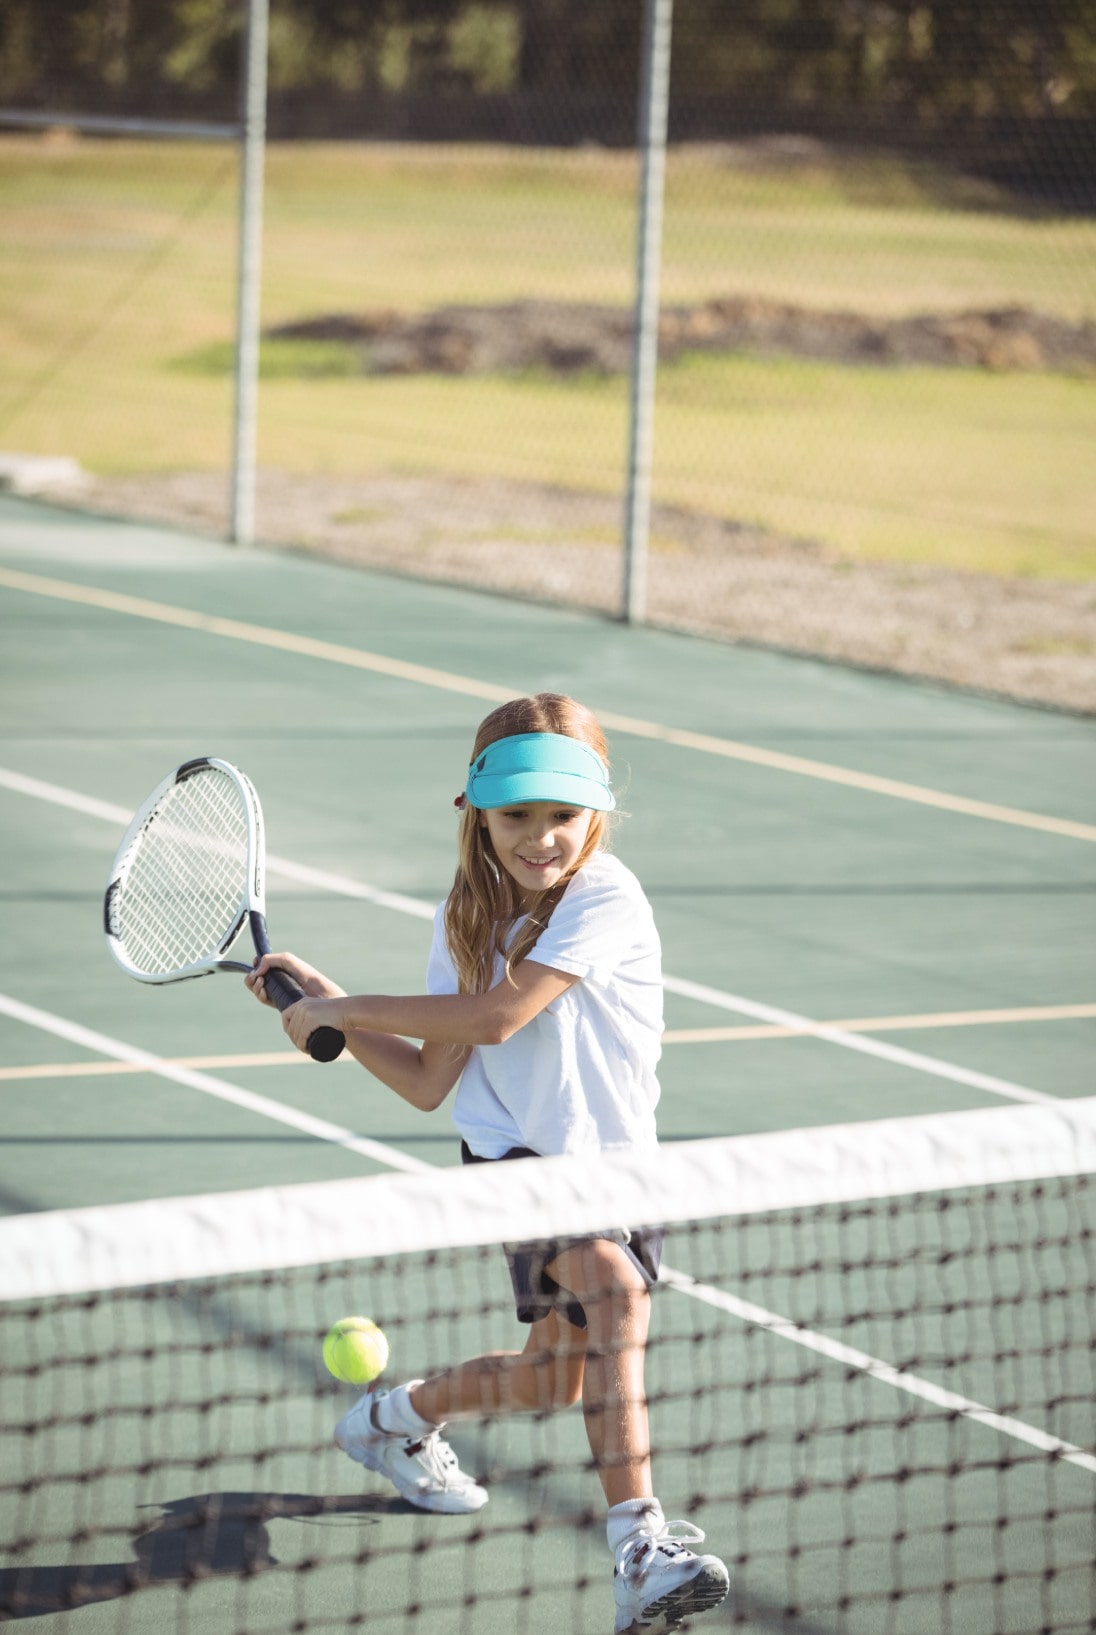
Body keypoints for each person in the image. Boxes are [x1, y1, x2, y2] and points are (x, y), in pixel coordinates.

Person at [246, 693, 729, 1635]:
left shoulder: (603, 896)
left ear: (596, 812)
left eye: (562, 814)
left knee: (555, 1381)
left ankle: (392, 1420)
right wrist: (330, 1004)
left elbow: (498, 1017)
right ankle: (642, 1551)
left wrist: (344, 1007)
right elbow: (431, 1080)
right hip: (520, 1166)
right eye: (517, 815)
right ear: (474, 809)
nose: (541, 837)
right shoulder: (463, 919)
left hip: (619, 1166)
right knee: (616, 1296)